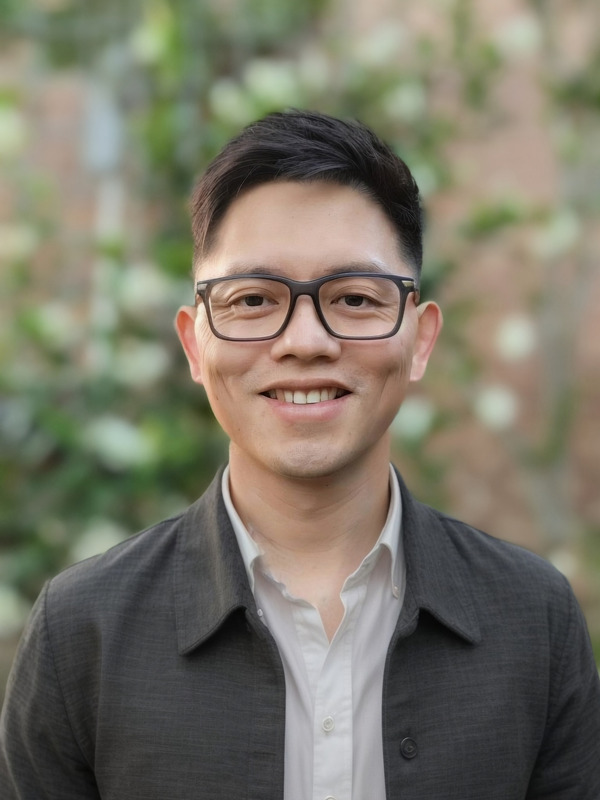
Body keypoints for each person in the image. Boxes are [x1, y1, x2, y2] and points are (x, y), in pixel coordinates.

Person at [1, 110, 599, 800]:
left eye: (353, 298)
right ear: (196, 345)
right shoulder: (82, 631)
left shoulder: (534, 618)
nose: (306, 340)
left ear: (420, 338)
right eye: (254, 299)